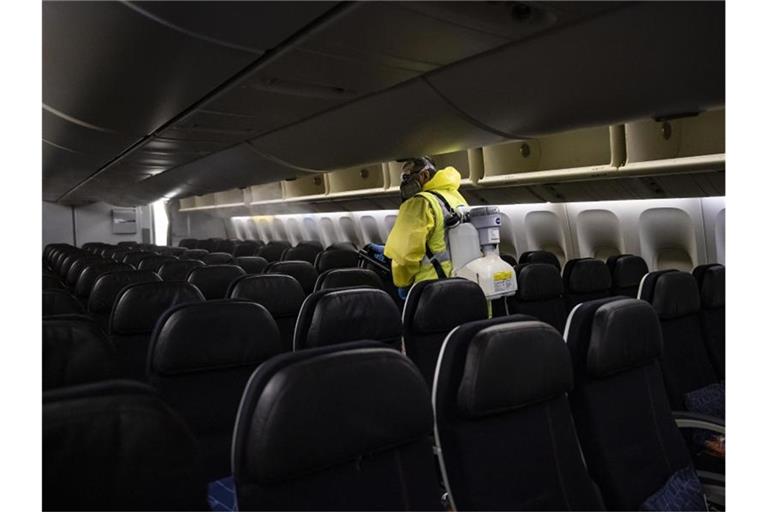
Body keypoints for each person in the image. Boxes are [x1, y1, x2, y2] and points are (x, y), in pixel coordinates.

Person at [371, 156, 468, 299]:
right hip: (464, 283)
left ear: (424, 175)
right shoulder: (455, 197)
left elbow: (404, 257)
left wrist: (402, 283)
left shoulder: (420, 202)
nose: (404, 183)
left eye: (407, 177)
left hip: (432, 291)